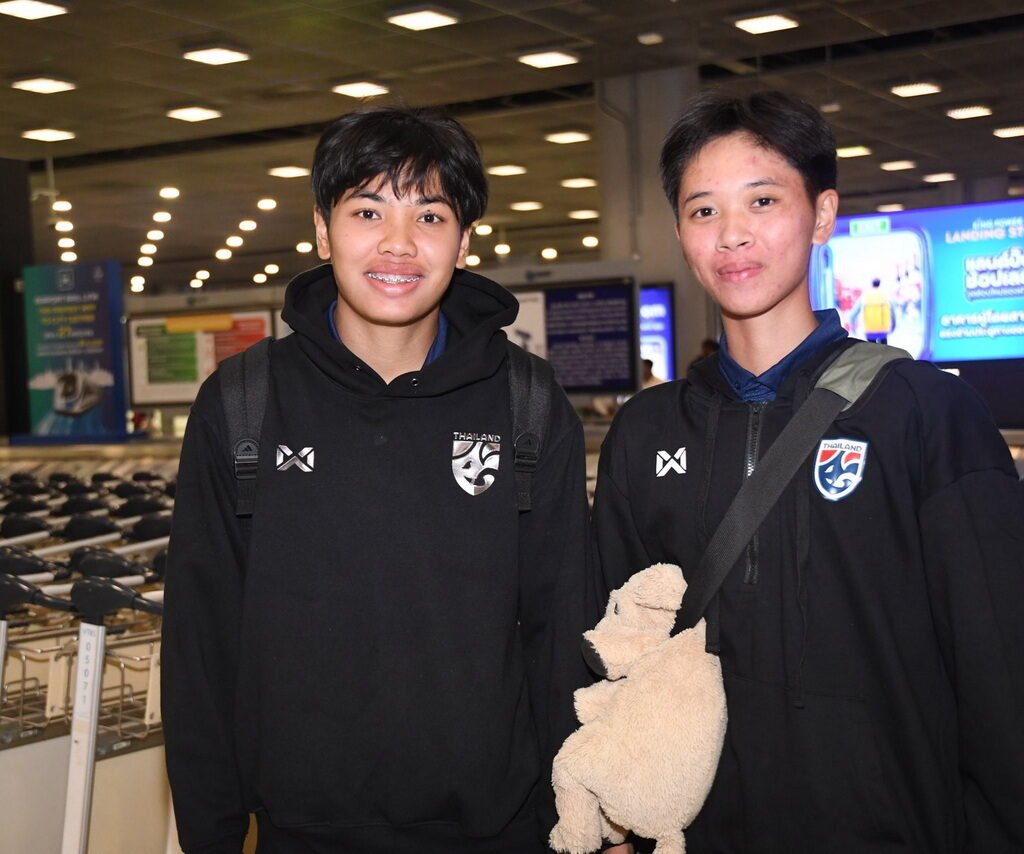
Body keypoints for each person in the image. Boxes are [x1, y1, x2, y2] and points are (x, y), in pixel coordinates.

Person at [592, 90, 1024, 853]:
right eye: (703, 210)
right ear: (681, 234)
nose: (732, 234)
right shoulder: (646, 433)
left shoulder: (924, 414)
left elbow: (998, 667)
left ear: (823, 215)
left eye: (762, 201)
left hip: (891, 826)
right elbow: (619, 647)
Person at [162, 107, 595, 854]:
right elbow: (201, 641)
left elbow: (563, 633)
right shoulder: (244, 401)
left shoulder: (525, 401)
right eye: (367, 211)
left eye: (429, 215)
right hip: (301, 830)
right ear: (323, 231)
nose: (398, 242)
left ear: (464, 240)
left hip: (496, 828)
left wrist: (579, 818)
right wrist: (212, 834)